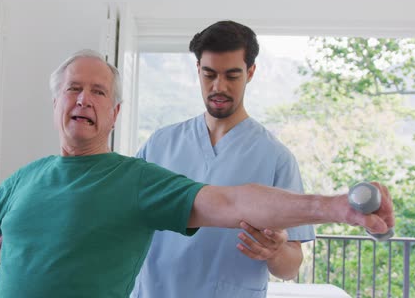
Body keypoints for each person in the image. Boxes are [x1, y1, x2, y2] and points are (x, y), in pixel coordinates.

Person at [0, 49, 395, 298]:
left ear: (115, 113)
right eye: (73, 88)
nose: (84, 98)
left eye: (99, 90)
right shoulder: (26, 178)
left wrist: (335, 206)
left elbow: (229, 201)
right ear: (56, 102)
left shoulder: (137, 177)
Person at [131, 20, 314, 298]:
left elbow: (290, 267)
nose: (219, 86)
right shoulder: (159, 144)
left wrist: (275, 251)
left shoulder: (276, 159)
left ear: (250, 72)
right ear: (198, 70)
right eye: (209, 74)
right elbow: (127, 218)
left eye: (232, 75)